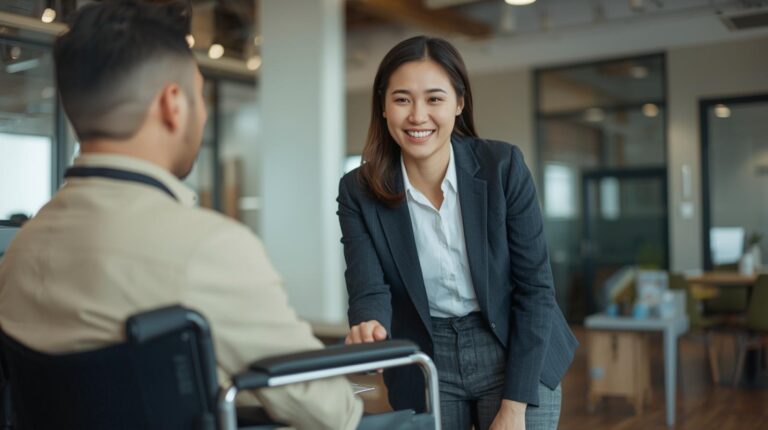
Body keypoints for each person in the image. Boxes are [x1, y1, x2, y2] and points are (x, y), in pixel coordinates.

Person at [0, 1, 361, 429]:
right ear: (173, 103)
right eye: (199, 94)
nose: (203, 113)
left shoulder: (21, 248)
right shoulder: (208, 247)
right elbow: (333, 411)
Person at [337, 36, 578, 430]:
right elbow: (369, 288)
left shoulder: (504, 167)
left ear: (459, 103)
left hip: (515, 345)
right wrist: (370, 324)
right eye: (402, 99)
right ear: (383, 106)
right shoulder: (358, 190)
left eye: (434, 99)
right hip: (426, 352)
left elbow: (535, 289)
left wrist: (514, 407)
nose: (418, 116)